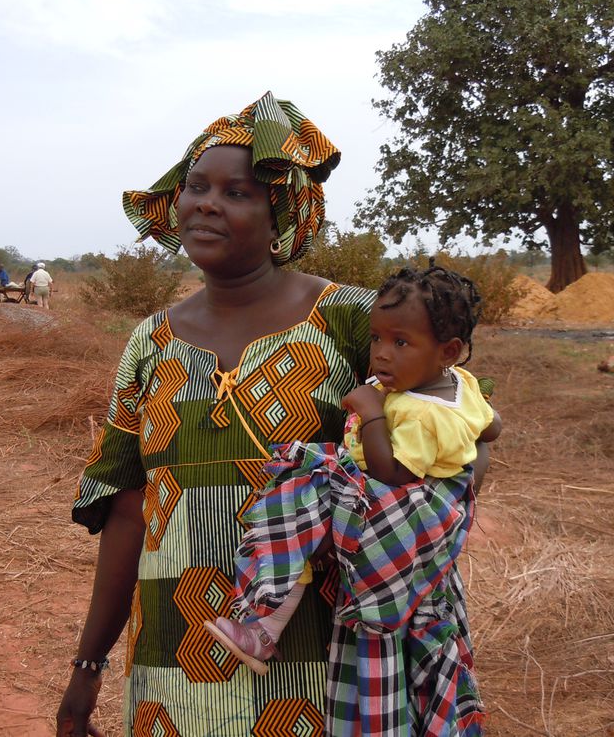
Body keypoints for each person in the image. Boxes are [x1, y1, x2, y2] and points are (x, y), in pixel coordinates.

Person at [55, 92, 494, 737]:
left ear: (280, 211)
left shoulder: (351, 319)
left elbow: (456, 423)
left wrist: (458, 487)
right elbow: (126, 511)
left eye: (237, 192)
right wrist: (87, 668)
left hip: (318, 654)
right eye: (196, 186)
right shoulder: (148, 343)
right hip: (172, 659)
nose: (206, 202)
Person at [205, 264, 501, 734]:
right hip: (419, 504)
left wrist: (372, 413)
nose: (382, 355)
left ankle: (266, 626)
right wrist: (471, 459)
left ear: (448, 351)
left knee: (295, 498)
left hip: (396, 511)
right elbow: (492, 427)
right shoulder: (461, 387)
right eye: (377, 339)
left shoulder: (418, 413)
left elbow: (392, 471)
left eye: (400, 343)